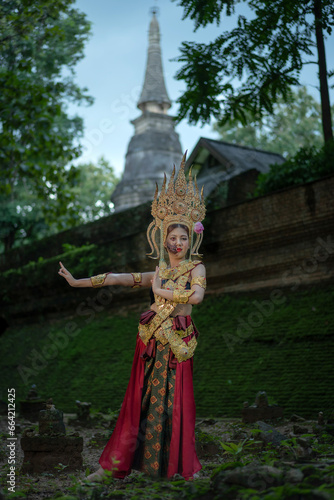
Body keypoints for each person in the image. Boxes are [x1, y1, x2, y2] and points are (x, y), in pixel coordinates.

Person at [58, 152, 206, 481]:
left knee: (177, 405)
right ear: (163, 238)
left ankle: (183, 470)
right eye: (173, 236)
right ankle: (111, 467)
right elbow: (118, 277)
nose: (178, 242)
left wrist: (163, 291)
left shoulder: (196, 268)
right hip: (151, 342)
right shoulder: (157, 271)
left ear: (190, 239)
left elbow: (196, 297)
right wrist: (77, 281)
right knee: (138, 405)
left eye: (184, 237)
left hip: (178, 341)